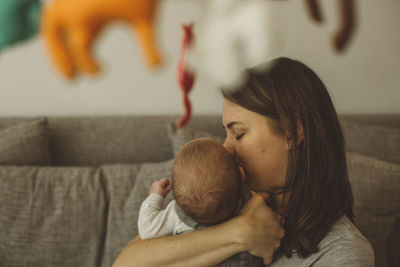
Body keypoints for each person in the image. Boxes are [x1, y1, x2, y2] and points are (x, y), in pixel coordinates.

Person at [113, 57, 374, 266]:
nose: (226, 148)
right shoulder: (219, 196)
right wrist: (239, 233)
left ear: (293, 131)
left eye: (239, 133)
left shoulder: (343, 253)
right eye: (227, 134)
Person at [137, 138, 250, 239]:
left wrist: (155, 195)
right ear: (241, 175)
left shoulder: (176, 217)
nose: (227, 147)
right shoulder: (248, 206)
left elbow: (146, 229)